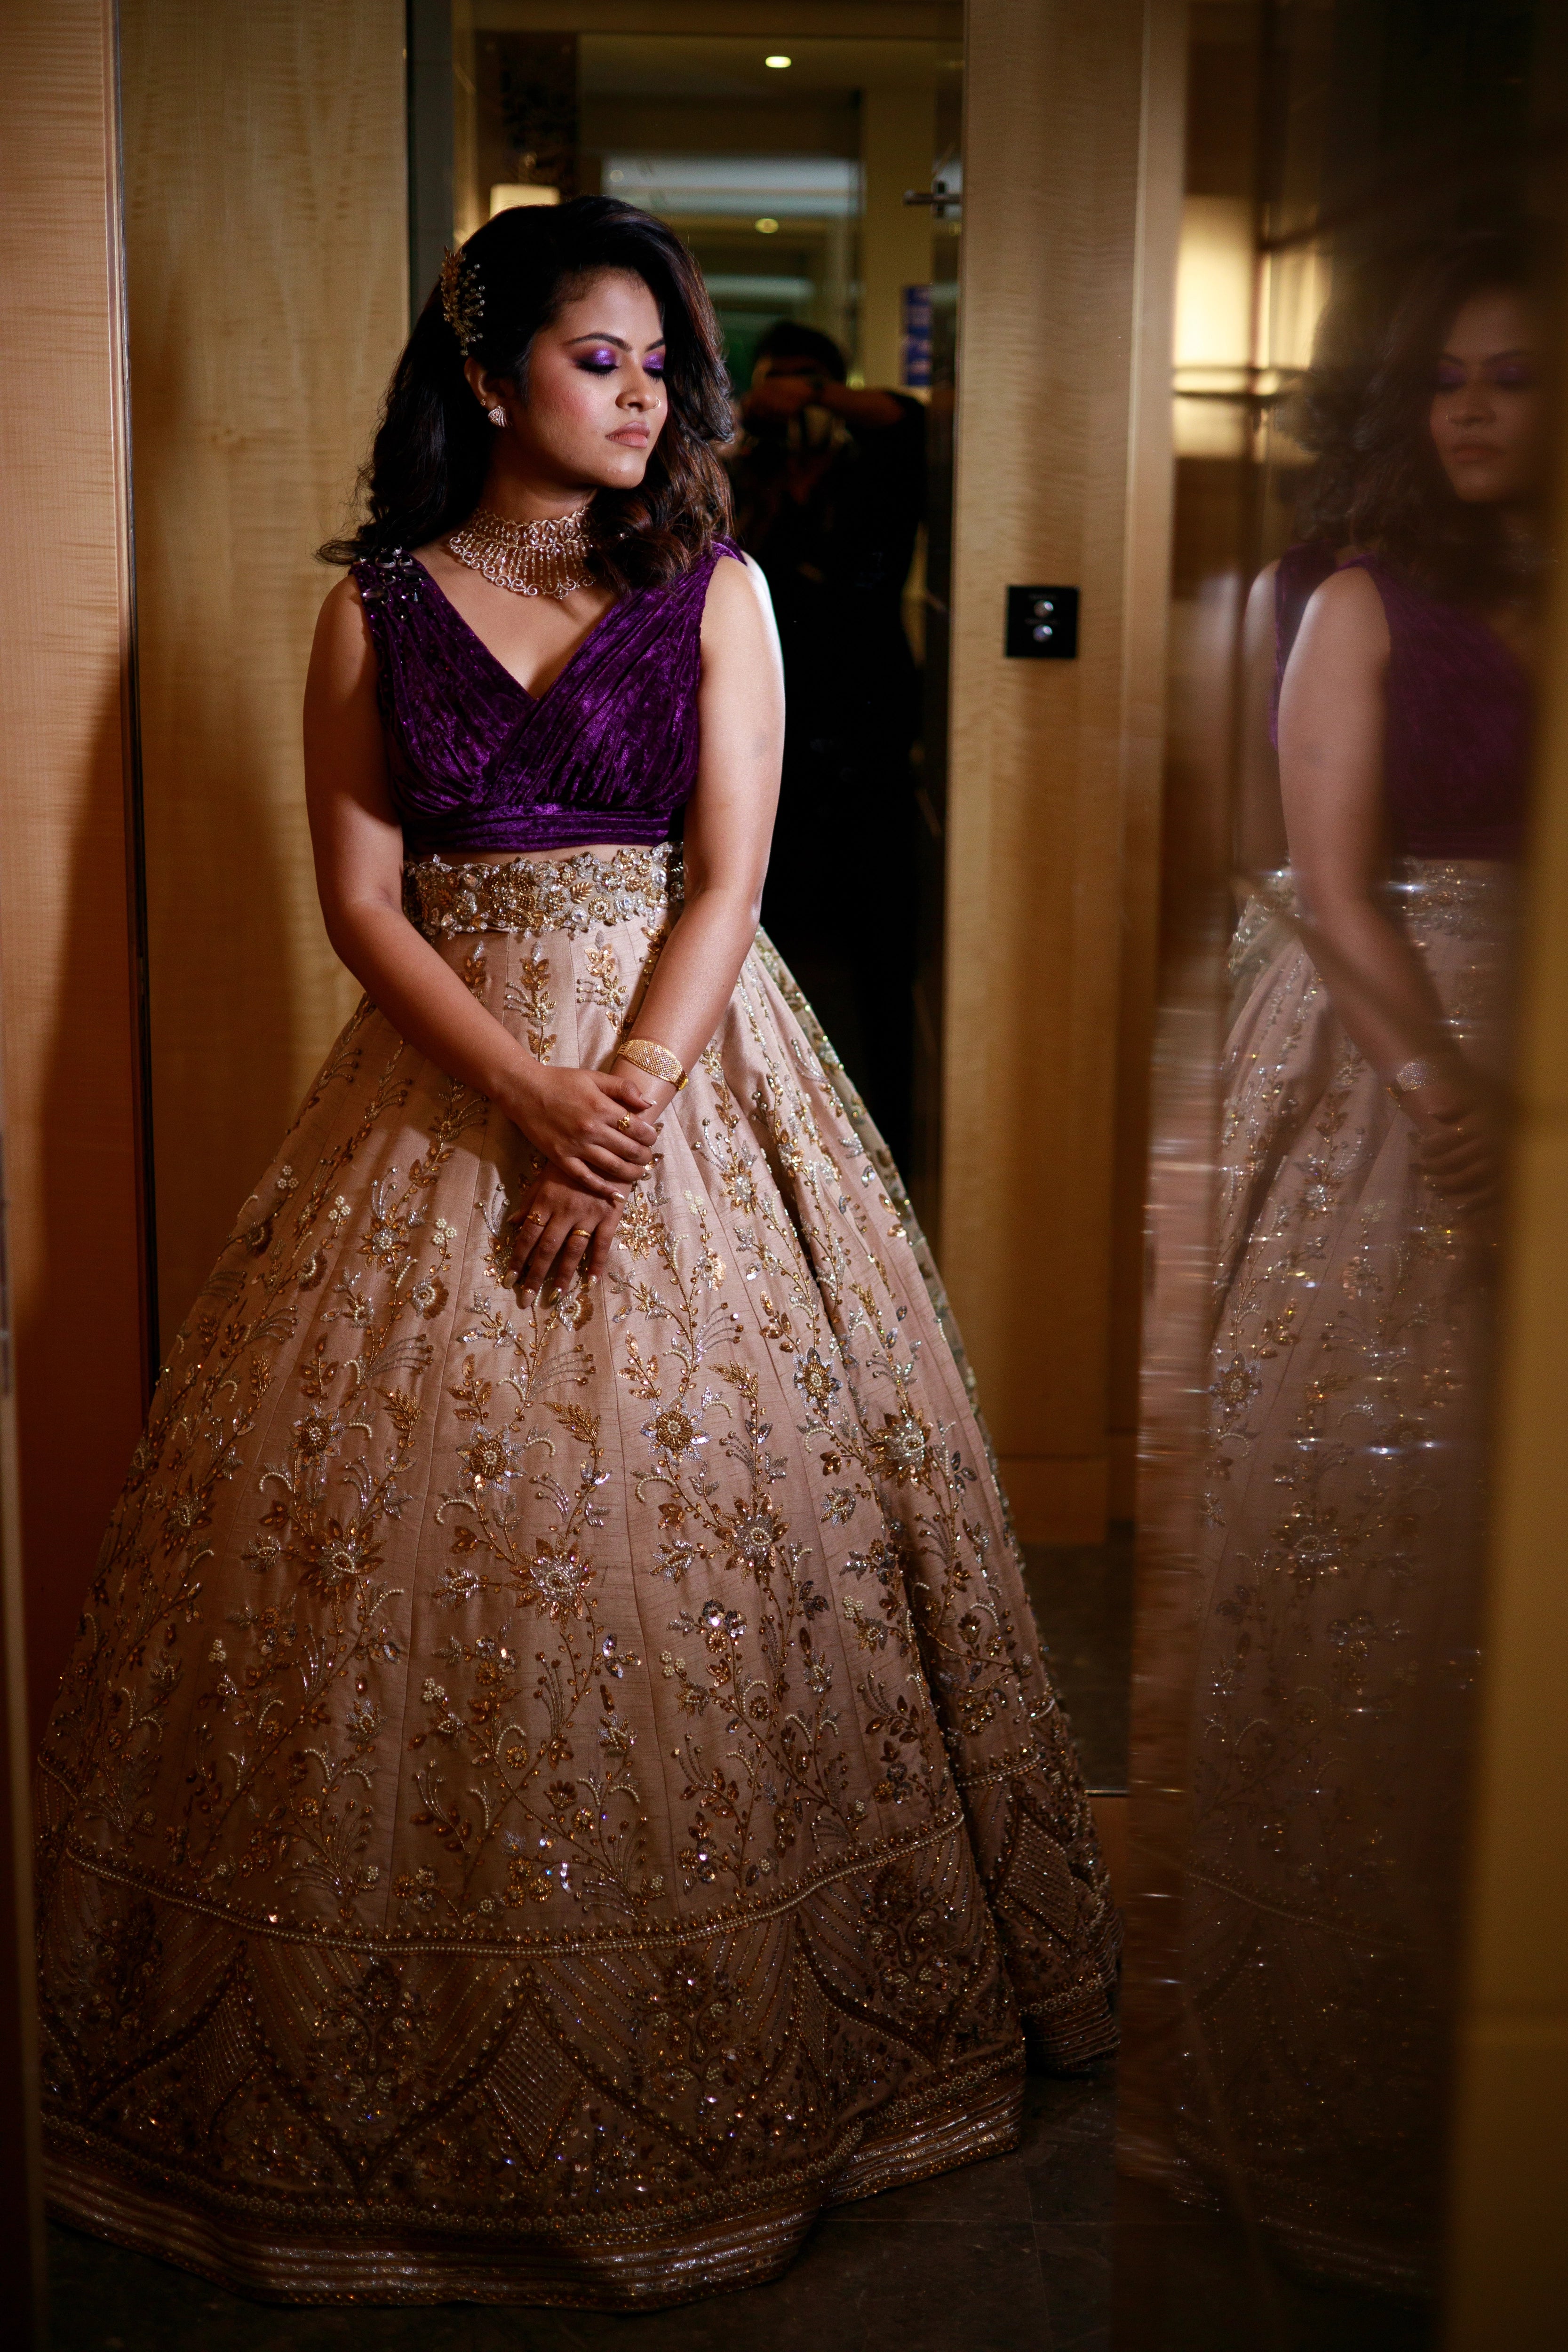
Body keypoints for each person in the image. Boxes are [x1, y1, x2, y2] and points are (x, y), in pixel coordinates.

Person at [33, 198, 1116, 2309]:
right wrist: (522, 1103)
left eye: (660, 369)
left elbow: (730, 875)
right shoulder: (371, 604)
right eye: (603, 357)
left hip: (684, 1073)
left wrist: (616, 1096)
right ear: (485, 370)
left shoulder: (711, 589)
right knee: (388, 1571)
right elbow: (360, 902)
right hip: (440, 1082)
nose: (644, 398)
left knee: (710, 1539)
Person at [1181, 230, 1542, 2291]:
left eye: (1523, 375)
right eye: (1455, 376)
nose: (1487, 409)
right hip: (1391, 1065)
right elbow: (1322, 885)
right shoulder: (1350, 600)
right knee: (1374, 1554)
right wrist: (1450, 1104)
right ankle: (1336, 2068)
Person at [728, 322, 926, 1164]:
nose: (797, 401)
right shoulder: (739, 477)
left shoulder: (873, 472)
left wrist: (813, 398)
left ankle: (893, 1140)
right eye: (782, 384)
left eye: (815, 384)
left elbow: (912, 420)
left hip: (871, 756)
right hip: (765, 767)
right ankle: (782, 1148)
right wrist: (750, 418)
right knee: (768, 962)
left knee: (885, 965)